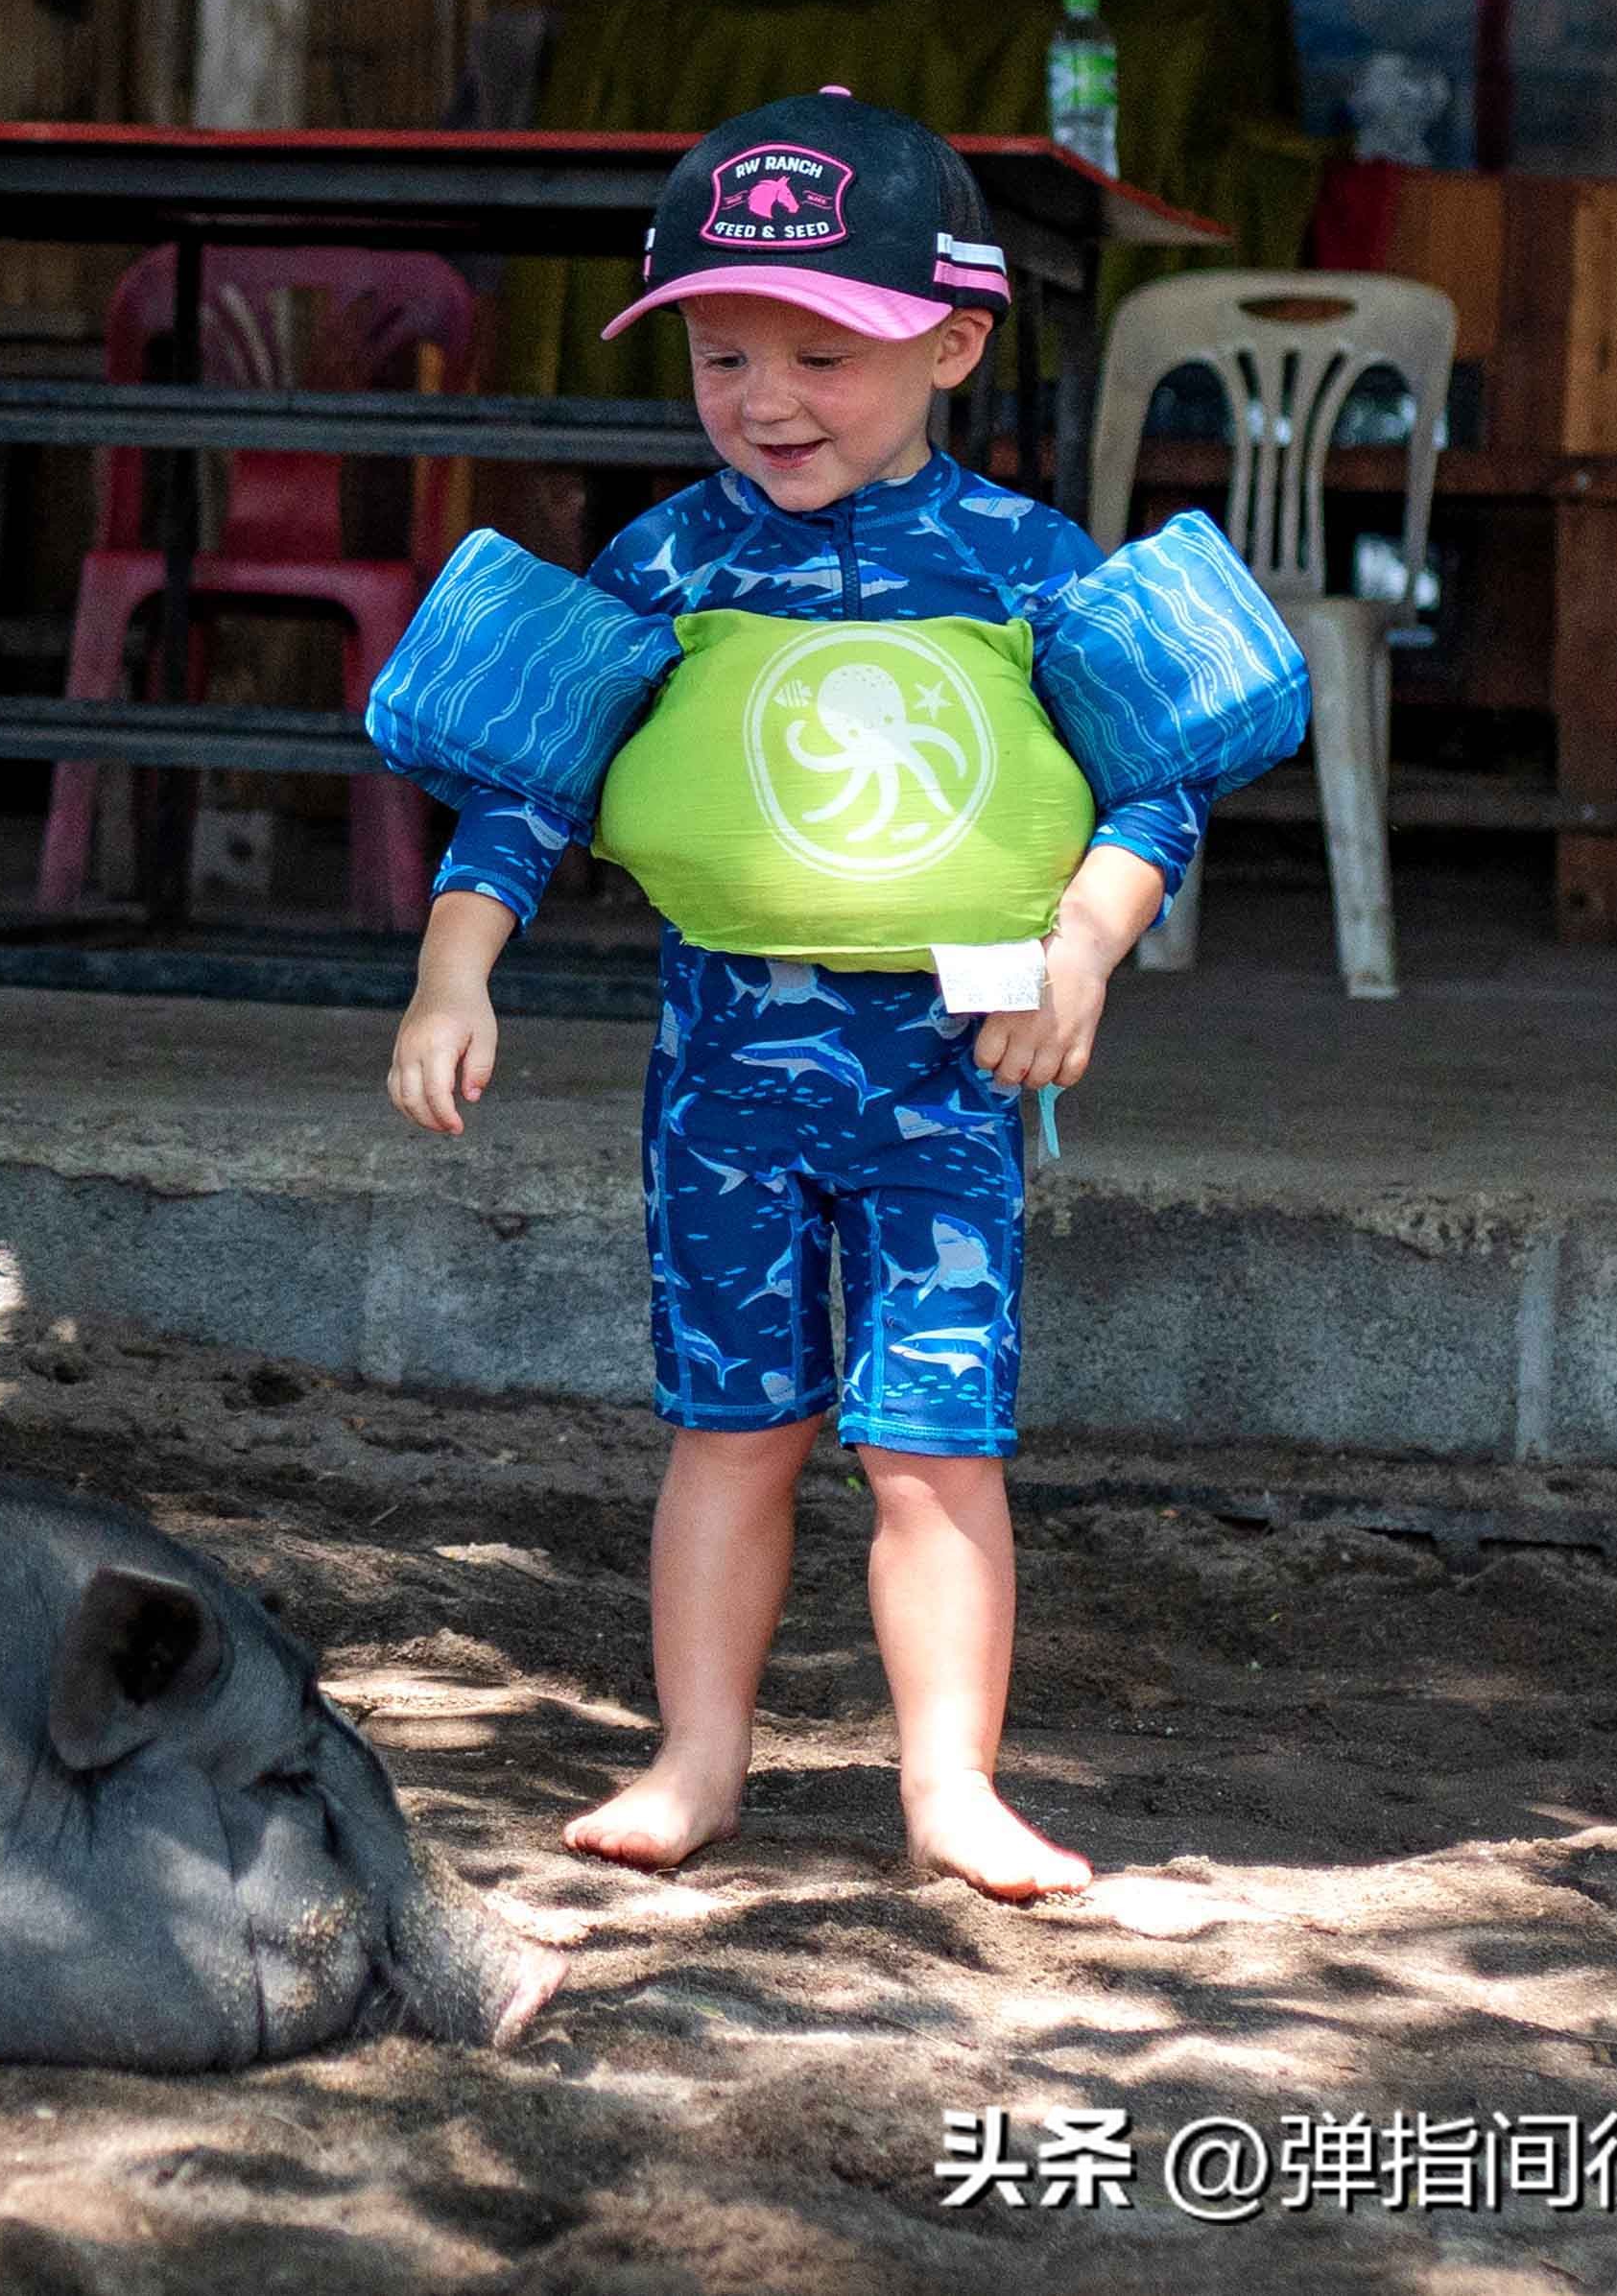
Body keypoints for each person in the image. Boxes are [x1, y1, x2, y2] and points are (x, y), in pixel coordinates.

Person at [387, 91, 1206, 1903]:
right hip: (722, 1071)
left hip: (948, 1065)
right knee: (731, 1428)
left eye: (821, 353)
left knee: (932, 1448)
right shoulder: (668, 561)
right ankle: (695, 1760)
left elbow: (1158, 780)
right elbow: (525, 782)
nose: (765, 398)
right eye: (721, 351)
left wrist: (1080, 947)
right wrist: (456, 970)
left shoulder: (1024, 566)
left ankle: (949, 1789)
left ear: (952, 343)